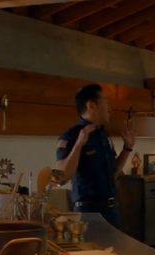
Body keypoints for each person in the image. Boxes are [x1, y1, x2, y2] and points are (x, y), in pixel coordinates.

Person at [55, 84, 135, 228]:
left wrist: (127, 148)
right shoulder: (71, 136)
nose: (109, 108)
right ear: (91, 105)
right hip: (88, 212)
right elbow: (61, 177)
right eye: (105, 102)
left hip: (111, 210)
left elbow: (113, 173)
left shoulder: (102, 135)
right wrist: (79, 144)